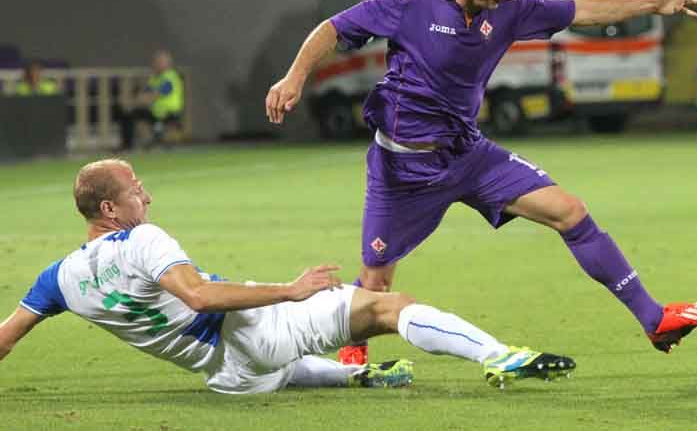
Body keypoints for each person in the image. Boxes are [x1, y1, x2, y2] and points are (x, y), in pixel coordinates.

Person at [265, 0, 697, 365]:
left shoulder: (511, 8)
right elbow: (333, 27)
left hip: (470, 156)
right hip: (403, 170)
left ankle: (653, 318)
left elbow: (581, 9)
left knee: (571, 212)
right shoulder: (410, 1)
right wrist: (294, 76)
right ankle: (352, 356)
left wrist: (652, 3)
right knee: (376, 283)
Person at [0, 158, 575, 393]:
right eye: (135, 190)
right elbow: (199, 298)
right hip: (250, 333)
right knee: (385, 307)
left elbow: (7, 335)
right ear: (109, 210)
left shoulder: (60, 278)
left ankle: (353, 378)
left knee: (286, 358)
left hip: (227, 377)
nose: (145, 196)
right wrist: (290, 288)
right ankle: (498, 355)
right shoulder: (143, 241)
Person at [118, 50, 184, 151]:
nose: (157, 64)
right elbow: (146, 92)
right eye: (156, 62)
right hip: (156, 111)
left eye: (160, 62)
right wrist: (137, 99)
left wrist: (140, 100)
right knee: (128, 114)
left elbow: (157, 94)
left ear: (168, 63)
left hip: (168, 112)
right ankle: (128, 145)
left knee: (133, 113)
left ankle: (156, 143)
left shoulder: (170, 77)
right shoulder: (155, 77)